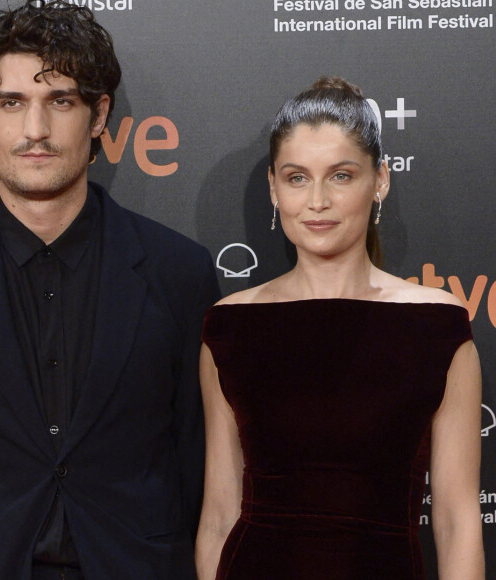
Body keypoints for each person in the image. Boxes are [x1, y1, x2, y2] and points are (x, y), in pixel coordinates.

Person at [0, 1, 220, 579]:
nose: (35, 130)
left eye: (60, 101)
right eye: (12, 103)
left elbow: (198, 460)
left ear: (99, 114)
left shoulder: (178, 271)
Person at [196, 77, 483, 579]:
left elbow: (457, 520)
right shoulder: (230, 328)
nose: (318, 200)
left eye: (342, 175)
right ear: (273, 188)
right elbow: (220, 514)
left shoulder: (436, 327)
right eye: (297, 177)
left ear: (381, 182)